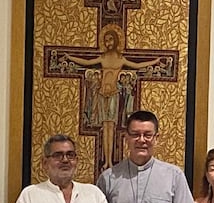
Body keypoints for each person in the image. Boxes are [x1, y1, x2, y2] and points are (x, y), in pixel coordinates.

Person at [64, 26, 165, 168]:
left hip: (113, 95)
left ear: (117, 40)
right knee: (104, 127)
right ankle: (106, 160)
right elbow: (86, 62)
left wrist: (154, 62)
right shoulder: (103, 57)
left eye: (111, 39)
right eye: (106, 40)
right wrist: (70, 58)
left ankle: (109, 161)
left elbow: (137, 65)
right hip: (101, 94)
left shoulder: (120, 59)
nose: (108, 42)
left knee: (110, 128)